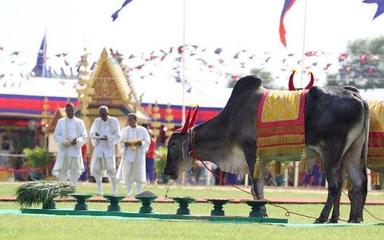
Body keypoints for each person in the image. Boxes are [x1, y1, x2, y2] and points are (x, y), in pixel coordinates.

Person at [52, 103, 87, 187]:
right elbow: (56, 135)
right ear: (65, 111)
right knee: (63, 171)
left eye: (71, 110)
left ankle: (73, 189)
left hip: (75, 151)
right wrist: (64, 141)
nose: (70, 112)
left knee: (75, 172)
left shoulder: (80, 122)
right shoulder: (60, 122)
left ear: (74, 110)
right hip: (65, 151)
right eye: (68, 110)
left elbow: (84, 136)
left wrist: (77, 140)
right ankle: (63, 190)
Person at [117, 113, 150, 196]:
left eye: (131, 120)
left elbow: (147, 141)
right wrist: (126, 144)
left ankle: (139, 192)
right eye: (128, 120)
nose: (129, 122)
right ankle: (129, 191)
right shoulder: (125, 130)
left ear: (135, 120)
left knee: (139, 172)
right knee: (128, 173)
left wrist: (140, 143)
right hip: (128, 154)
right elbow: (120, 142)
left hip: (139, 154)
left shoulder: (143, 130)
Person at [90, 106, 120, 195]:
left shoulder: (114, 121)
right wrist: (97, 136)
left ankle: (114, 191)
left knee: (111, 170)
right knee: (96, 170)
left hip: (108, 149)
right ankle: (100, 191)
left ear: (107, 113)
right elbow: (91, 134)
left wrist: (108, 138)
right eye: (101, 114)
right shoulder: (96, 121)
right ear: (99, 114)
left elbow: (118, 135)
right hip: (99, 149)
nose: (103, 115)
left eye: (104, 113)